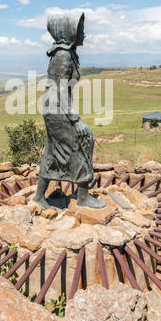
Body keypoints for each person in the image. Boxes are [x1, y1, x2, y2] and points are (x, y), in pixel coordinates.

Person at [33, 12, 106, 210]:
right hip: (57, 108)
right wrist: (76, 120)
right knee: (84, 140)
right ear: (69, 32)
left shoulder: (66, 52)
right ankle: (83, 198)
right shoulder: (63, 54)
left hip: (55, 108)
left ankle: (39, 197)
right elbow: (59, 90)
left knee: (52, 150)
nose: (84, 34)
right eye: (80, 30)